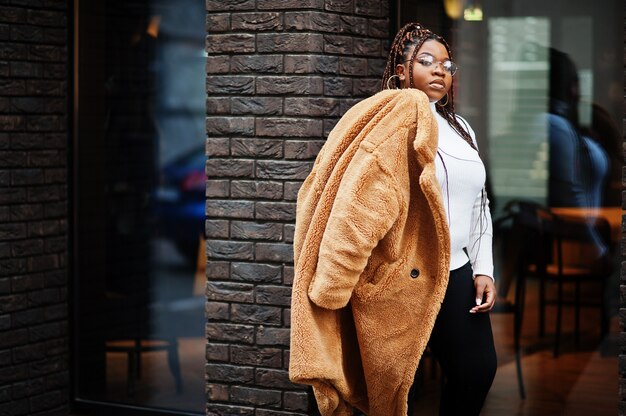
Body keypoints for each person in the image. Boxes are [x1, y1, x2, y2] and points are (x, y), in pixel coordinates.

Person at [289, 22, 496, 416]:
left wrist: (483, 267)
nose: (440, 70)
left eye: (447, 64)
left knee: (477, 369)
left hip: (455, 270)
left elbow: (479, 204)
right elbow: (362, 201)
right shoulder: (391, 121)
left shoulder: (461, 128)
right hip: (401, 275)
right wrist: (335, 280)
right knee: (396, 389)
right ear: (401, 71)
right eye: (426, 61)